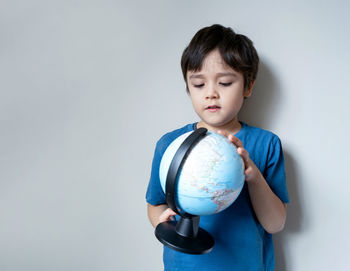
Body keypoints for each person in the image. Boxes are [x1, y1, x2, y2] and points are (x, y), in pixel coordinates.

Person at [145, 24, 289, 271]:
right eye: (199, 85)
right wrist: (160, 220)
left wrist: (252, 175)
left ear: (248, 87)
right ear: (188, 89)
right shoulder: (170, 145)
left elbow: (275, 224)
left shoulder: (266, 144)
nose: (211, 93)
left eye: (224, 82)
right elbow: (156, 203)